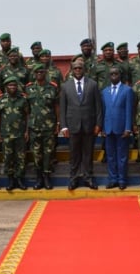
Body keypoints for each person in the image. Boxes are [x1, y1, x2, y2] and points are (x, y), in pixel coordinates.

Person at [60, 60, 102, 190]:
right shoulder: (65, 86)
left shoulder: (93, 85)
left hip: (89, 125)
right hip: (73, 126)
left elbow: (98, 107)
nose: (78, 70)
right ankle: (74, 179)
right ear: (72, 70)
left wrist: (98, 124)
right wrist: (64, 126)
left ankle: (88, 178)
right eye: (75, 68)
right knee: (74, 155)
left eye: (80, 68)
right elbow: (63, 108)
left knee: (88, 154)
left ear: (84, 70)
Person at [26, 64, 59, 190]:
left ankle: (47, 177)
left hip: (49, 126)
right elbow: (27, 109)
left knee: (48, 153)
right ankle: (39, 177)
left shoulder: (52, 87)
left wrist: (57, 123)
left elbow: (56, 106)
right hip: (34, 127)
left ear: (45, 73)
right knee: (36, 154)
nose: (39, 73)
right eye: (37, 72)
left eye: (41, 71)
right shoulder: (28, 88)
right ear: (34, 74)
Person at [101, 67, 133, 190]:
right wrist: (103, 128)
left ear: (120, 75)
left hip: (122, 129)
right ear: (109, 76)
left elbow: (129, 110)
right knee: (110, 156)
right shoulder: (105, 91)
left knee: (122, 156)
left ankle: (122, 180)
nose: (114, 75)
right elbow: (104, 111)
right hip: (108, 129)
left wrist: (128, 128)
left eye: (116, 73)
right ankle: (112, 179)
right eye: (111, 74)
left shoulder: (127, 90)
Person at [0, 76, 29, 191]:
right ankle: (10, 180)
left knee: (20, 157)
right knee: (8, 157)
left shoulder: (23, 99)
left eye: (14, 85)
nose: (13, 87)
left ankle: (19, 179)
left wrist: (26, 131)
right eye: (10, 85)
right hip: (6, 134)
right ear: (6, 87)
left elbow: (27, 115)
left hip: (20, 133)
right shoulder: (1, 100)